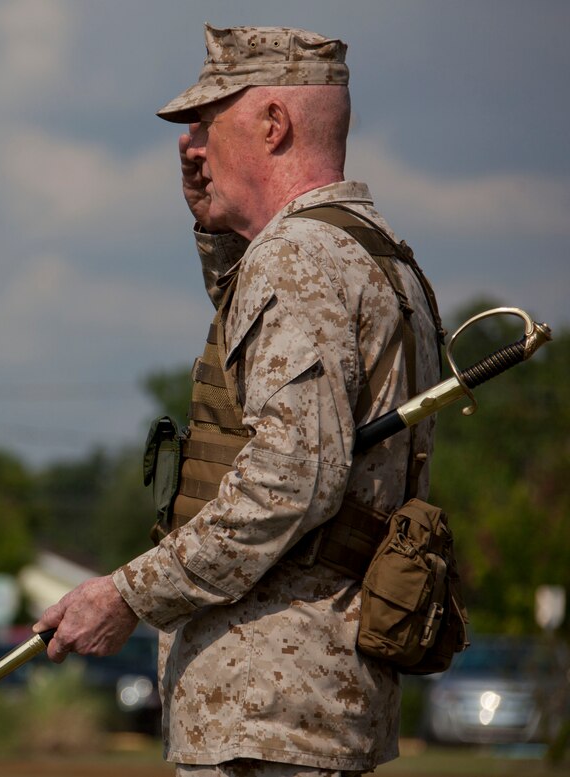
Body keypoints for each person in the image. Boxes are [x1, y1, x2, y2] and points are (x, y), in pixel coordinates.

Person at [34, 24, 443, 776]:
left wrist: (127, 594)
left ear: (274, 124)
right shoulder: (374, 250)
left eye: (206, 121)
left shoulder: (296, 259)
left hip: (268, 702)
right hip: (312, 694)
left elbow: (288, 483)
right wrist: (216, 228)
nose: (190, 144)